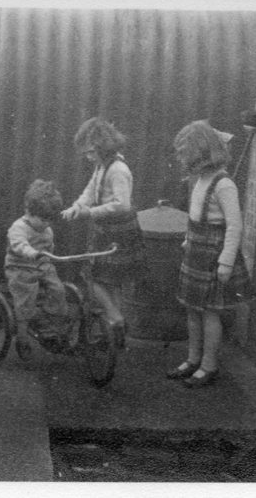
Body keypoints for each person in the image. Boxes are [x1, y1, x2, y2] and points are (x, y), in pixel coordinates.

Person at [167, 120, 253, 388]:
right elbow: (195, 217)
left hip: (215, 255)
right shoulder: (200, 179)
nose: (181, 159)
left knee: (210, 314)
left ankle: (209, 365)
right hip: (196, 250)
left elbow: (235, 226)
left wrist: (226, 262)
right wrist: (186, 239)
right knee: (192, 310)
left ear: (200, 153)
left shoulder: (224, 184)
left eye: (185, 154)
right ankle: (193, 360)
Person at [61, 117, 143, 347]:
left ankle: (115, 318)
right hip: (106, 230)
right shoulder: (102, 166)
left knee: (93, 278)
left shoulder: (118, 170)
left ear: (103, 147)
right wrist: (77, 206)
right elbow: (89, 191)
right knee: (109, 282)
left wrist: (89, 213)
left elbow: (122, 205)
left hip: (118, 232)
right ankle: (115, 330)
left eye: (90, 152)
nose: (87, 157)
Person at [5, 179, 68, 360]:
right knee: (25, 300)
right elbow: (18, 245)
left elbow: (50, 248)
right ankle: (23, 338)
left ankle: (47, 320)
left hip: (42, 265)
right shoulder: (18, 227)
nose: (46, 224)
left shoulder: (47, 229)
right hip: (20, 266)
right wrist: (31, 252)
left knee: (58, 289)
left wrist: (47, 259)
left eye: (50, 220)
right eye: (42, 219)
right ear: (28, 211)